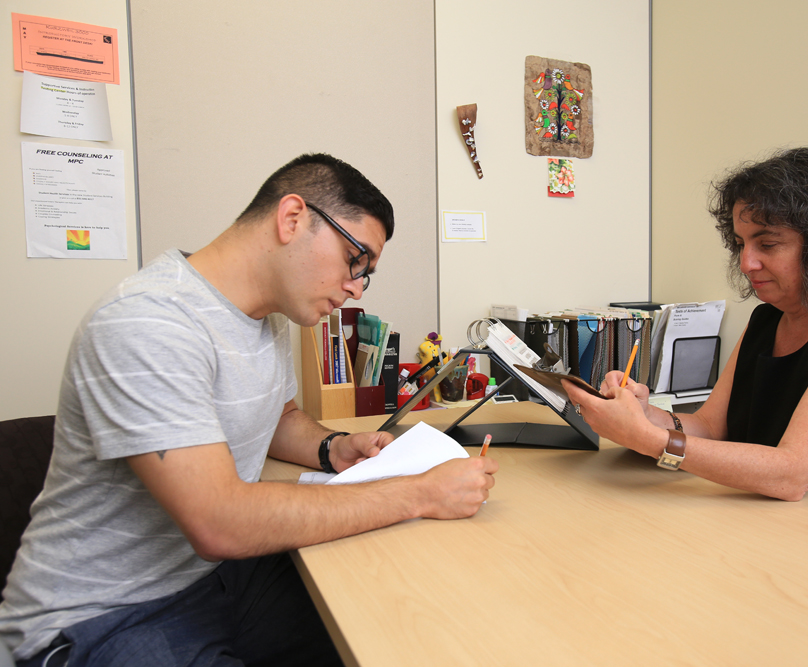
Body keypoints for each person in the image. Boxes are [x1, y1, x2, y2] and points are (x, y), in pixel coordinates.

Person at [0, 153, 499, 667]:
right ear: (292, 219)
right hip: (100, 615)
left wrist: (332, 448)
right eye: (356, 260)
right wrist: (419, 493)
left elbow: (278, 417)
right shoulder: (147, 322)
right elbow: (221, 521)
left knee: (400, 622)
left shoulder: (267, 317)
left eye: (365, 274)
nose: (355, 288)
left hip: (211, 577)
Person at [564, 147, 808, 521]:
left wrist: (650, 440)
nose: (747, 263)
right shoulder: (767, 321)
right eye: (741, 244)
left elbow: (792, 474)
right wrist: (646, 415)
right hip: (784, 526)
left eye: (767, 244)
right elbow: (712, 427)